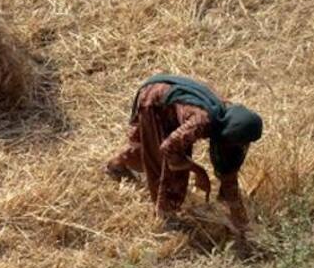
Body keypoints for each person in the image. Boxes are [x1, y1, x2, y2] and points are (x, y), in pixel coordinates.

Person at [105, 73, 263, 241]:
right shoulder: (202, 121)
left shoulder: (227, 117)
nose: (241, 147)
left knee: (148, 144)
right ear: (228, 135)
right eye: (237, 143)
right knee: (169, 169)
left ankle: (116, 166)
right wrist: (197, 170)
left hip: (164, 93)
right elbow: (168, 148)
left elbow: (228, 170)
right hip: (153, 100)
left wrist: (240, 219)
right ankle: (166, 217)